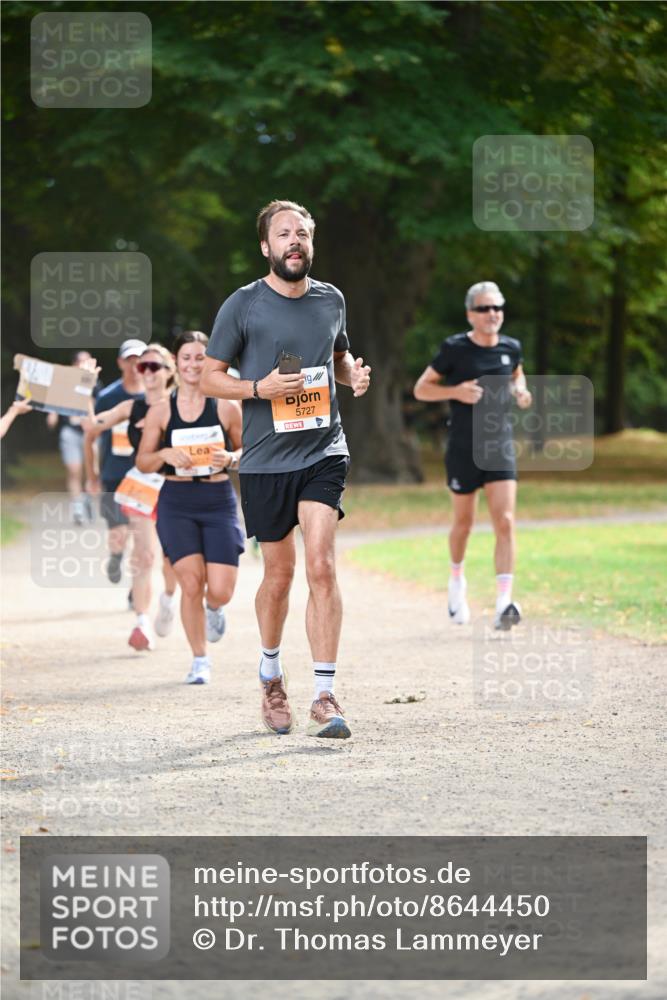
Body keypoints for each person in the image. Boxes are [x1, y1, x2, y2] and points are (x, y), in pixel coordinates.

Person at [201, 199, 371, 739]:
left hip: (324, 450)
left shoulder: (332, 300)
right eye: (283, 234)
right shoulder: (243, 306)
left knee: (321, 565)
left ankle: (324, 693)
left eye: (301, 233)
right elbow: (209, 377)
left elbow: (338, 356)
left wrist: (353, 376)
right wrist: (259, 389)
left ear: (310, 243)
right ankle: (271, 674)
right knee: (280, 576)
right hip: (266, 461)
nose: (293, 241)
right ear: (266, 247)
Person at [413, 281, 532, 630]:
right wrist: (457, 392)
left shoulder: (511, 347)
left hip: (500, 446)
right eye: (484, 308)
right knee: (463, 525)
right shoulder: (455, 349)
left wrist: (521, 392)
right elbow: (421, 389)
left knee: (506, 521)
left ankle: (503, 603)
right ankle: (456, 584)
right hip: (464, 448)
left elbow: (516, 378)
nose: (492, 314)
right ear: (470, 314)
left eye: (497, 307)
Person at [137, 331, 245, 685]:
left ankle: (215, 608)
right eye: (186, 357)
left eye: (201, 357)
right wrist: (164, 455)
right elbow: (143, 461)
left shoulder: (226, 405)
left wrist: (230, 457)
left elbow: (252, 452)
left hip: (217, 501)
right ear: (176, 362)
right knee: (190, 581)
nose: (193, 364)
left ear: (210, 360)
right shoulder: (161, 410)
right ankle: (200, 659)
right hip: (176, 502)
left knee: (221, 589)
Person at [84, 344, 178, 651]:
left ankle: (167, 599)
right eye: (143, 367)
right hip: (139, 487)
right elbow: (92, 427)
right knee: (143, 555)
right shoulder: (128, 407)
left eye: (155, 367)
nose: (147, 372)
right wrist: (84, 391)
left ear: (169, 371)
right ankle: (142, 622)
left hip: (176, 488)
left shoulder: (183, 405)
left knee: (172, 558)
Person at [87, 339, 147, 592]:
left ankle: (137, 591)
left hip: (146, 476)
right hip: (114, 473)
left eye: (140, 360)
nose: (135, 366)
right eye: (130, 360)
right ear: (121, 363)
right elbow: (91, 433)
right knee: (118, 533)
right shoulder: (108, 397)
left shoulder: (156, 395)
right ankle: (116, 556)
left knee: (141, 536)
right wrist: (93, 476)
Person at [47, 350, 100, 524]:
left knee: (91, 472)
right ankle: (78, 507)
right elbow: (56, 401)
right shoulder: (65, 383)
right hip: (70, 431)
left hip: (89, 433)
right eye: (80, 362)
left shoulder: (96, 384)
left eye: (87, 362)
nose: (83, 365)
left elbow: (96, 406)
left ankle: (87, 500)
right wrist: (53, 414)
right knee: (74, 470)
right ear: (73, 365)